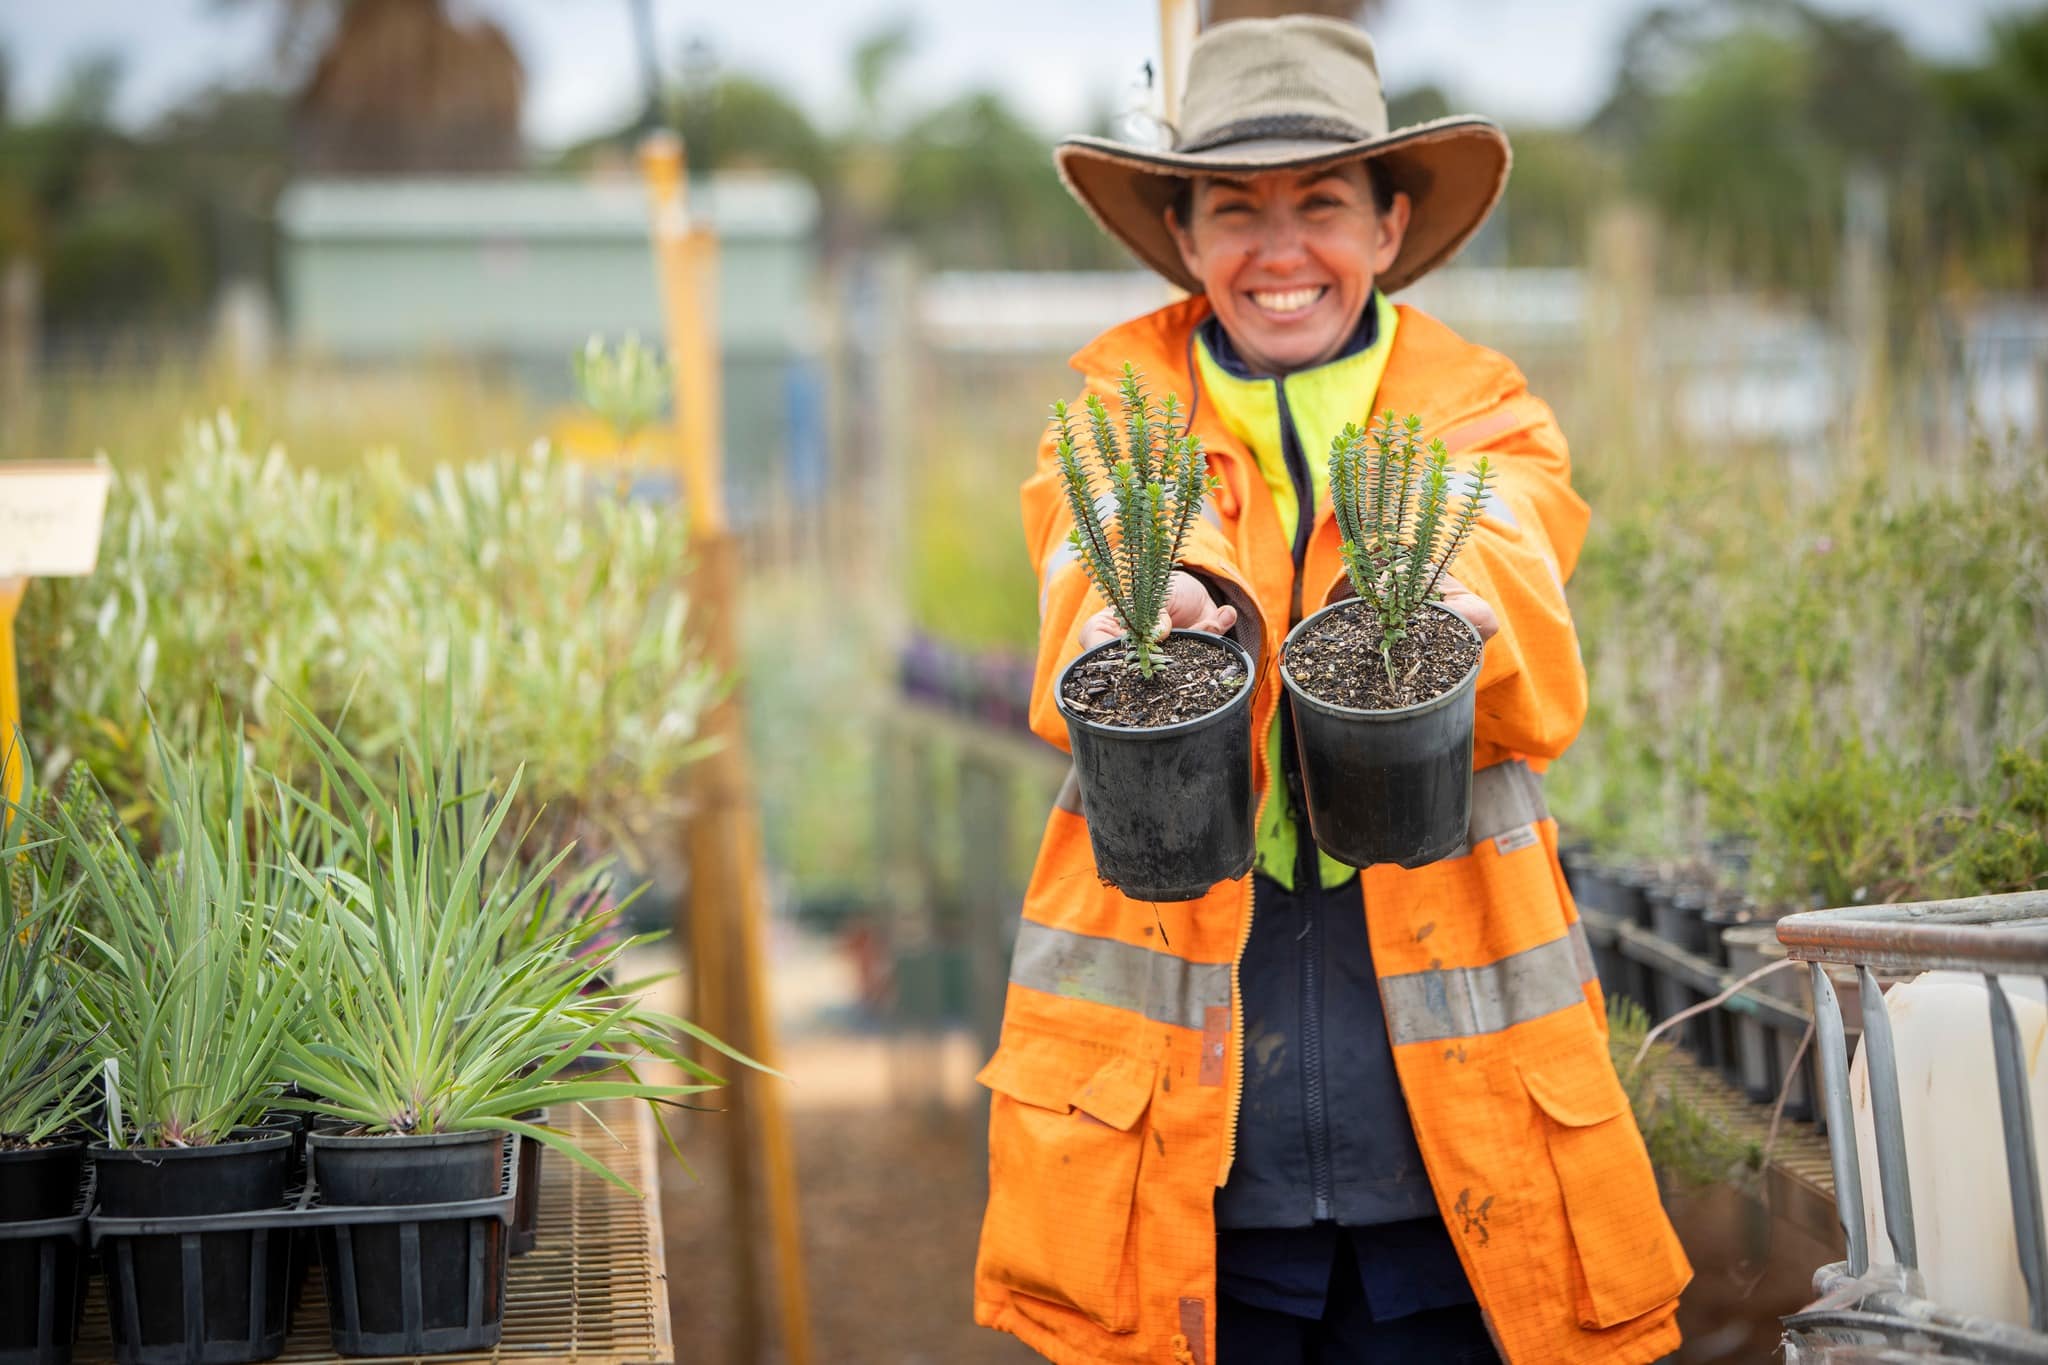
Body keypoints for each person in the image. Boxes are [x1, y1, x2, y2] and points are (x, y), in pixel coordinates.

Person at [971, 15, 1690, 1365]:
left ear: (1389, 223)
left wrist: (1438, 609)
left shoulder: (1479, 415)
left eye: (1321, 202)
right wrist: (1168, 600)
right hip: (1185, 1162)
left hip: (1447, 1154)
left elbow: (1511, 554)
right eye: (1235, 208)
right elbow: (1089, 550)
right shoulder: (1112, 416)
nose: (1280, 249)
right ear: (1184, 237)